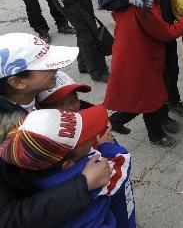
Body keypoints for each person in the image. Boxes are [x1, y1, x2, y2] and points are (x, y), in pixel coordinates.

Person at [0, 32, 112, 227]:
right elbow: (8, 217)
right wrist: (82, 185)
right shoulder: (6, 137)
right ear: (18, 82)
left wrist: (91, 119)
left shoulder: (32, 92)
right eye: (46, 65)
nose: (57, 67)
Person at [103, 0, 183, 147]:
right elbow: (166, 33)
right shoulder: (144, 6)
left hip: (131, 55)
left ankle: (116, 122)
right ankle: (153, 135)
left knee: (143, 97)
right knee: (150, 100)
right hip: (142, 59)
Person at [0, 106, 136, 227]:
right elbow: (121, 164)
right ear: (68, 164)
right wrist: (106, 147)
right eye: (87, 137)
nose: (93, 136)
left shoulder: (33, 171)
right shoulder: (87, 171)